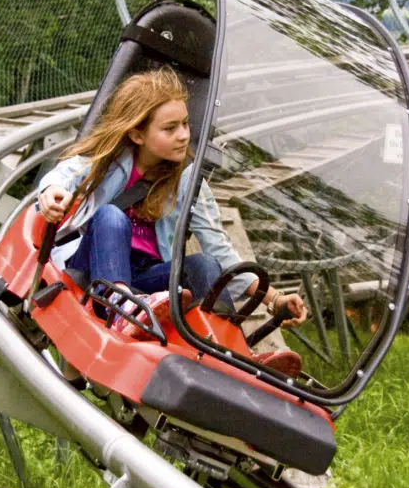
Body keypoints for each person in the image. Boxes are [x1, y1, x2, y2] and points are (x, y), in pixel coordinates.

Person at [37, 67, 307, 375]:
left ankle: (231, 351)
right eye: (170, 129)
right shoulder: (109, 161)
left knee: (203, 264)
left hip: (146, 278)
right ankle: (123, 308)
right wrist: (52, 192)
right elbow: (66, 174)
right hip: (96, 271)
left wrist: (273, 299)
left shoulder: (189, 180)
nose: (183, 135)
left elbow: (218, 247)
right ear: (138, 134)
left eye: (185, 124)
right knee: (111, 215)